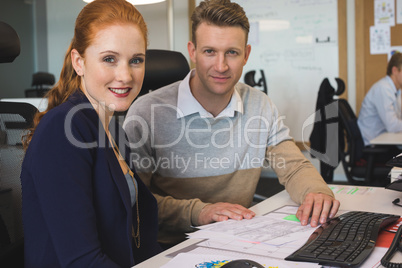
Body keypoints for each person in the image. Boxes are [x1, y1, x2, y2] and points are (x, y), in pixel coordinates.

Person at [123, 0, 340, 247]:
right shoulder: (146, 113)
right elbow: (136, 201)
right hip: (170, 247)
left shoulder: (260, 106)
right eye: (209, 52)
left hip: (238, 240)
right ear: (192, 52)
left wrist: (316, 192)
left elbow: (294, 166)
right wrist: (199, 212)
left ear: (246, 54)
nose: (221, 66)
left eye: (232, 52)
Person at [20, 0, 161, 266]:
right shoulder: (63, 130)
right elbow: (81, 260)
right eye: (109, 59)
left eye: (136, 60)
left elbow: (132, 233)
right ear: (79, 62)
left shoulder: (115, 130)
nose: (125, 75)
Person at [358, 52, 402, 149]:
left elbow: (398, 117)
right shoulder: (383, 89)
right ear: (395, 70)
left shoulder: (397, 90)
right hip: (373, 144)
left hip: (384, 139)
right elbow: (392, 126)